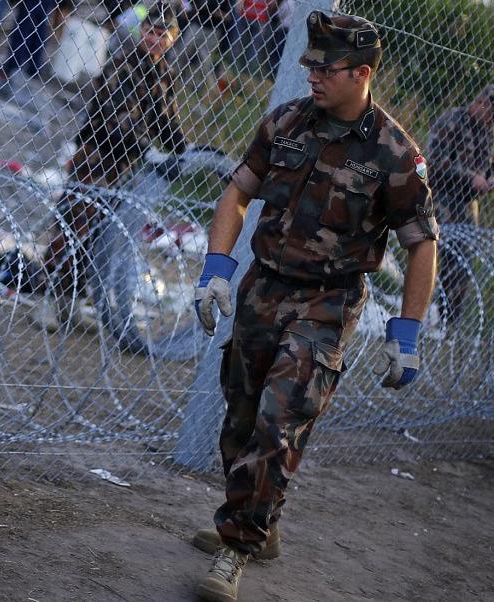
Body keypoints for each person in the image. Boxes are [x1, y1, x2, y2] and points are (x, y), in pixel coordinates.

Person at [190, 11, 438, 601]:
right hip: (262, 286)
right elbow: (237, 191)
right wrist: (216, 268)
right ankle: (260, 524)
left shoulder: (395, 153)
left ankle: (237, 545)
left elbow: (421, 243)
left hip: (327, 302)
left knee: (281, 420)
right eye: (309, 65)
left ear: (361, 73)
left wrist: (405, 332)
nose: (313, 77)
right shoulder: (285, 123)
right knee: (241, 420)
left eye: (325, 69)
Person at [38, 2, 189, 330]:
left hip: (121, 166)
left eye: (163, 33)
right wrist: (146, 149)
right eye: (150, 30)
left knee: (97, 238)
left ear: (173, 39)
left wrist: (183, 152)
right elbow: (110, 120)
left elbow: (165, 120)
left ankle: (72, 306)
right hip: (96, 158)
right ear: (141, 32)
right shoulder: (123, 65)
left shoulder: (163, 73)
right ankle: (49, 302)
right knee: (72, 230)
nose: (154, 38)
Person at [425, 84, 494, 322]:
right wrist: (469, 177)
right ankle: (430, 312)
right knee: (444, 254)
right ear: (482, 104)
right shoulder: (452, 120)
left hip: (465, 202)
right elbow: (434, 160)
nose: (492, 122)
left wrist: (488, 177)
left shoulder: (485, 132)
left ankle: (448, 321)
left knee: (463, 261)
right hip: (441, 195)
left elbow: (485, 166)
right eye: (491, 115)